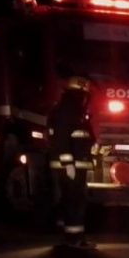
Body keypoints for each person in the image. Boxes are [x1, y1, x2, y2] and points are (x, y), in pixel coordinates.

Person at [49, 75, 97, 248]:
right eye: (84, 95)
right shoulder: (67, 110)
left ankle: (72, 236)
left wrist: (94, 147)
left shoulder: (73, 111)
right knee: (75, 201)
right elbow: (61, 138)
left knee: (73, 200)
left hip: (76, 164)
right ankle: (74, 238)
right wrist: (68, 164)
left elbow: (81, 137)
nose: (85, 99)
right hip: (71, 166)